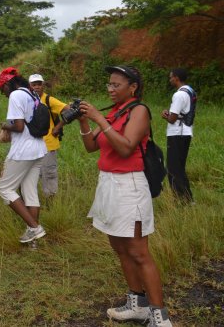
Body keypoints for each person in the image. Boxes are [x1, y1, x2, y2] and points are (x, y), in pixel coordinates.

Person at [77, 65, 172, 326]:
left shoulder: (138, 111)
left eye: (116, 85)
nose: (110, 89)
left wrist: (98, 119)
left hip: (129, 186)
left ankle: (159, 317)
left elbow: (127, 148)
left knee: (139, 251)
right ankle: (137, 304)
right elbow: (90, 147)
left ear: (133, 88)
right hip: (107, 184)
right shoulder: (114, 112)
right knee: (119, 247)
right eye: (109, 84)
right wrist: (85, 121)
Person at [0, 67, 48, 244]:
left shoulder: (15, 95)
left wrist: (4, 126)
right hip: (39, 148)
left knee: (5, 189)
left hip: (23, 150)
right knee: (30, 192)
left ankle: (35, 228)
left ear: (7, 85)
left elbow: (18, 126)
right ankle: (33, 238)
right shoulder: (32, 94)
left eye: (2, 89)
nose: (3, 94)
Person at [28, 74, 69, 199]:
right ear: (29, 86)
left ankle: (51, 201)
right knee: (35, 174)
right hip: (32, 144)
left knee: (49, 173)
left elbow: (70, 110)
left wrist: (59, 126)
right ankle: (37, 199)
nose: (37, 87)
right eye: (34, 84)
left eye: (39, 84)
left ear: (43, 85)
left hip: (48, 144)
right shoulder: (27, 100)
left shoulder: (49, 100)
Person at [161, 68, 195, 203]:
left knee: (173, 169)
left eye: (171, 77)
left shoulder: (179, 95)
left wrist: (165, 115)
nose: (170, 80)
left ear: (176, 78)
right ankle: (188, 199)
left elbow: (172, 118)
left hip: (177, 133)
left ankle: (181, 199)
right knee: (179, 167)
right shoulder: (190, 91)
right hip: (186, 132)